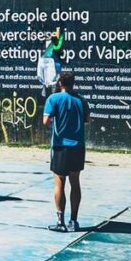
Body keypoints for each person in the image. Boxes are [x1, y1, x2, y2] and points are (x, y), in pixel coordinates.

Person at [43, 71, 90, 232]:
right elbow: (87, 119)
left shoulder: (53, 99)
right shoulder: (81, 100)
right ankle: (74, 221)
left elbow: (46, 121)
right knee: (75, 183)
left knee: (59, 182)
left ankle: (60, 222)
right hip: (78, 146)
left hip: (60, 146)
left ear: (59, 83)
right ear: (73, 83)